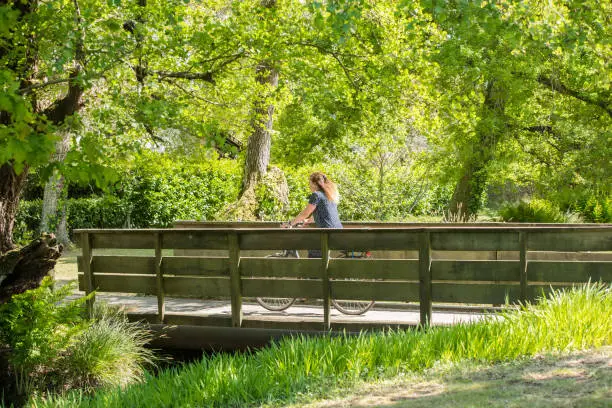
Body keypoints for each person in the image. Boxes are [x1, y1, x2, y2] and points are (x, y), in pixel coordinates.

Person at [283, 172, 343, 258]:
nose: (309, 185)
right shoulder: (329, 194)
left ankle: (317, 269)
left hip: (326, 234)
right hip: (337, 233)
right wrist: (308, 220)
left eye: (310, 183)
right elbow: (323, 212)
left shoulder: (316, 195)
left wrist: (289, 224)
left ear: (315, 184)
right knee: (314, 248)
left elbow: (305, 213)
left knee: (312, 250)